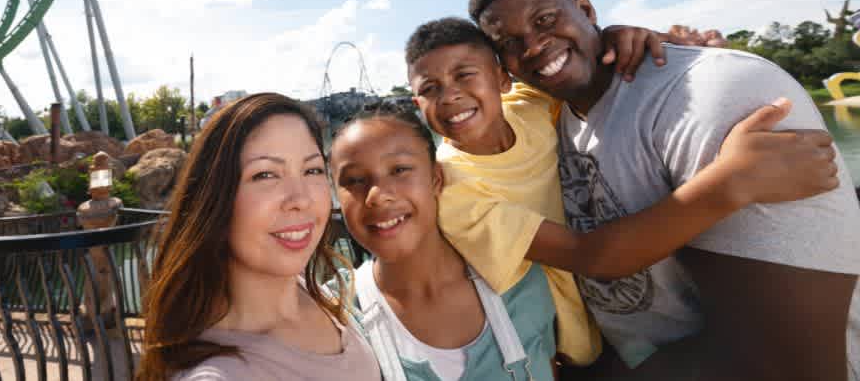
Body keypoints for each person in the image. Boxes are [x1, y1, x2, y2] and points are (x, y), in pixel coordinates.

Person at [470, 0, 860, 380]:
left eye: (546, 19)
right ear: (504, 69)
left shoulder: (711, 101)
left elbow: (789, 366)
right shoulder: (542, 112)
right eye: (510, 43)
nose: (533, 46)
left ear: (585, 9)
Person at [329, 100, 837, 381]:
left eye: (401, 170)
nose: (377, 195)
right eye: (352, 180)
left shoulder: (518, 281)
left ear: (437, 180)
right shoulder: (337, 319)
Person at [138, 93, 380, 381]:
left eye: (312, 169)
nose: (301, 198)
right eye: (265, 175)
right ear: (216, 199)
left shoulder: (314, 293)